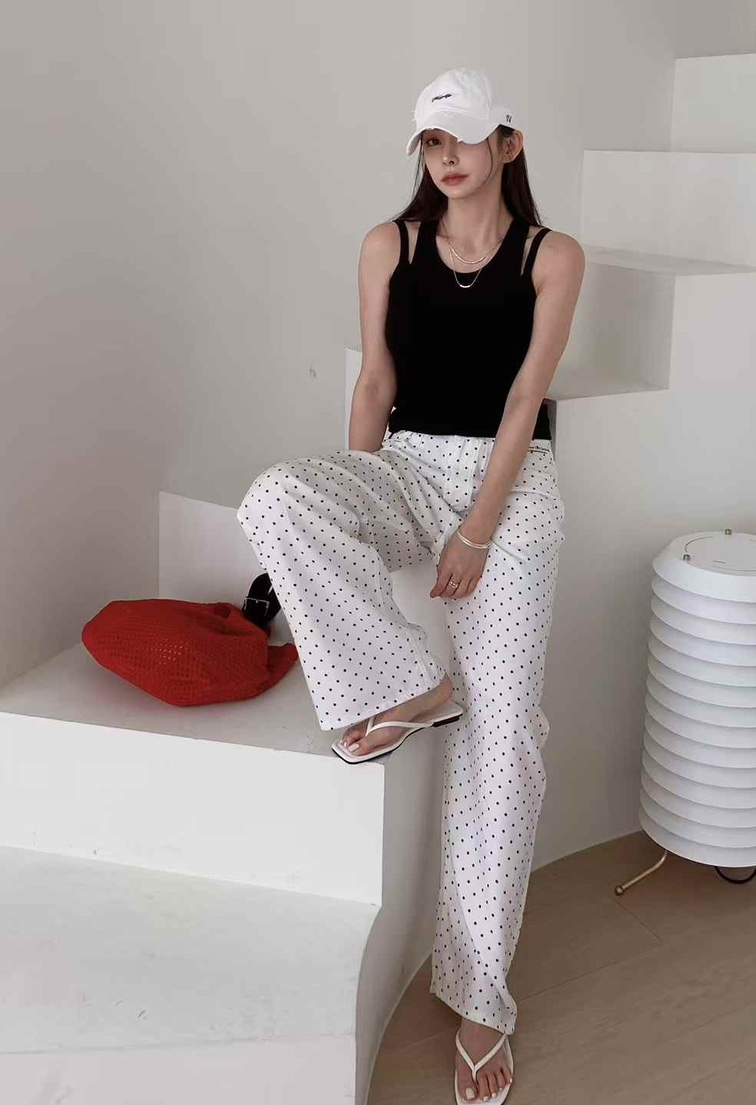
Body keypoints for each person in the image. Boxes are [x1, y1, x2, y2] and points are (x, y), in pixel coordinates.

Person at [236, 67, 584, 1105]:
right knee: (277, 497)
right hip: (407, 464)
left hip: (511, 487)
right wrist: (355, 500)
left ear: (508, 144)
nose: (448, 157)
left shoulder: (552, 256)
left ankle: (481, 996)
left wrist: (477, 531)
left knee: (505, 734)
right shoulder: (387, 244)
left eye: (465, 138)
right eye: (433, 141)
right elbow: (376, 382)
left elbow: (526, 399)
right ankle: (405, 687)